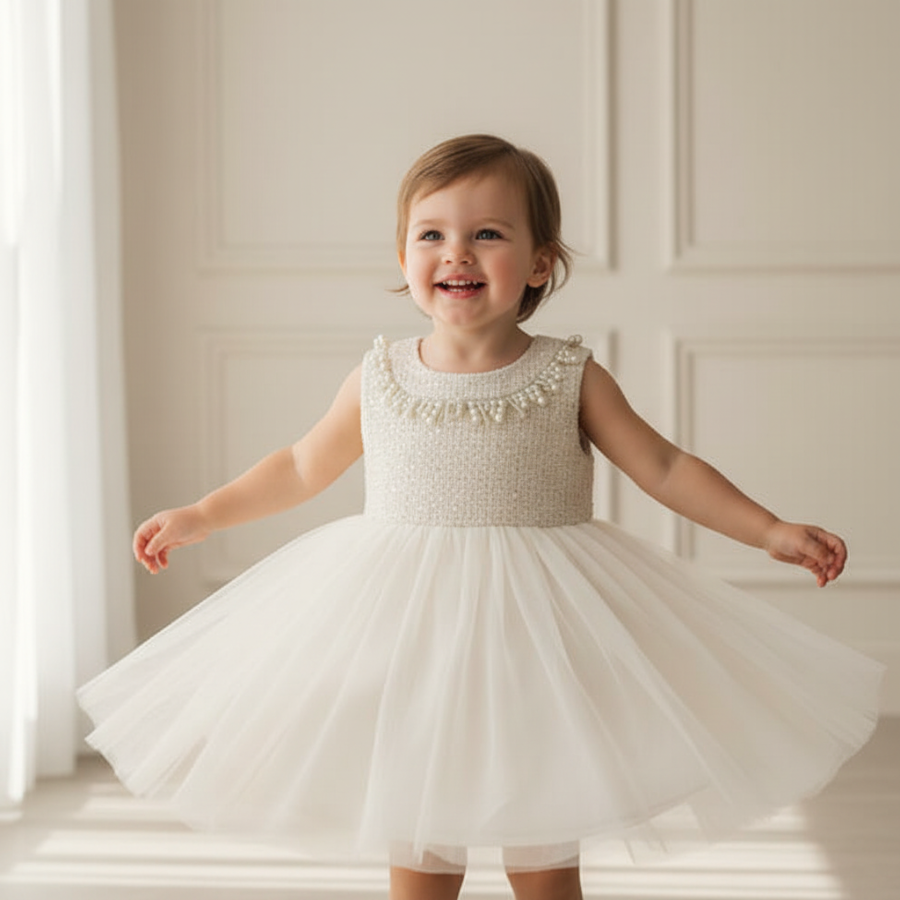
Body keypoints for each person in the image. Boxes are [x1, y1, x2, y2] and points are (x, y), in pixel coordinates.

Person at [79, 135, 883, 900]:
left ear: (540, 263)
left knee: (542, 842)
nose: (456, 253)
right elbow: (298, 466)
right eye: (431, 234)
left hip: (537, 635)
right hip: (406, 634)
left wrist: (770, 529)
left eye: (486, 234)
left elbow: (666, 468)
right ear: (403, 258)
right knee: (421, 836)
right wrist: (203, 514)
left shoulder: (570, 374)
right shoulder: (379, 376)